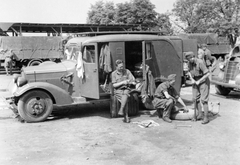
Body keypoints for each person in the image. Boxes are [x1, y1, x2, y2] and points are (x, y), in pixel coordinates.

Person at [185, 51, 210, 124]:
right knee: (195, 98)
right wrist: (192, 79)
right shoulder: (189, 63)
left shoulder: (200, 62)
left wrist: (199, 81)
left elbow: (207, 73)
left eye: (190, 59)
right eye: (188, 60)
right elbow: (188, 71)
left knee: (204, 100)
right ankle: (199, 114)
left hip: (203, 80)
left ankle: (206, 118)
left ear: (193, 57)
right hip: (195, 80)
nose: (189, 61)